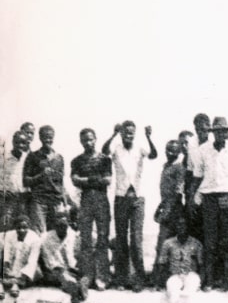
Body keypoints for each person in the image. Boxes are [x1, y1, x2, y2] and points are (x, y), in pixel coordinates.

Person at [194, 117, 228, 291]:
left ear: (227, 132)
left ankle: (226, 279)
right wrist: (190, 199)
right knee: (210, 240)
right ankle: (209, 280)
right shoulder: (203, 150)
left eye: (223, 131)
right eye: (217, 131)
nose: (220, 134)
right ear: (213, 133)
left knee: (227, 239)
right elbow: (197, 176)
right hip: (209, 198)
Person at [104, 121, 158, 291]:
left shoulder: (140, 148)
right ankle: (121, 278)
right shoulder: (116, 148)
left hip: (137, 199)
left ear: (135, 133)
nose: (129, 135)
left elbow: (154, 155)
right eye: (126, 132)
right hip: (120, 198)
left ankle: (138, 278)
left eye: (132, 132)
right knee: (121, 240)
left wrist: (149, 137)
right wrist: (113, 134)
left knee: (136, 239)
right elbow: (104, 151)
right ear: (121, 133)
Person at [69, 127, 112, 291]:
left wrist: (85, 180)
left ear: (95, 139)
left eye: (91, 139)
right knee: (85, 240)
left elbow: (107, 180)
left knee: (102, 239)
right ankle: (87, 275)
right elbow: (74, 180)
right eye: (85, 140)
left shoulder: (104, 159)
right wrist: (93, 180)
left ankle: (102, 277)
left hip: (101, 199)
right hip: (85, 200)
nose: (88, 142)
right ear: (81, 141)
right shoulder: (77, 161)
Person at [153, 139, 187, 287]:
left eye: (173, 150)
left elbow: (178, 193)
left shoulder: (179, 168)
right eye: (167, 149)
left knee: (165, 243)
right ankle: (161, 278)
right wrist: (159, 208)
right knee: (162, 245)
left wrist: (167, 212)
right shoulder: (165, 166)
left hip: (175, 210)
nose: (170, 153)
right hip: (166, 206)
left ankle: (161, 279)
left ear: (179, 152)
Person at [22, 125, 66, 236]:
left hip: (55, 201)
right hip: (39, 200)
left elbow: (61, 182)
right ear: (40, 138)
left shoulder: (59, 158)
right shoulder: (32, 157)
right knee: (39, 235)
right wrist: (41, 176)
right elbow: (26, 181)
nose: (48, 140)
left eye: (50, 137)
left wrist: (64, 199)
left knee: (54, 235)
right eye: (45, 137)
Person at [159, 214, 204, 303]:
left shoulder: (196, 244)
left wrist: (202, 280)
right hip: (175, 274)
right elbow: (162, 263)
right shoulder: (168, 243)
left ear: (188, 227)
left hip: (191, 274)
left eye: (184, 225)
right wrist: (161, 280)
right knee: (172, 288)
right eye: (179, 225)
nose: (181, 227)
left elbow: (201, 264)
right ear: (175, 227)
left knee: (191, 288)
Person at [37, 210, 81, 293]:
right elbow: (49, 263)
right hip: (55, 271)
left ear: (68, 223)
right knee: (62, 275)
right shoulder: (46, 238)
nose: (62, 228)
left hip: (72, 269)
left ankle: (79, 286)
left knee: (83, 274)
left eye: (64, 225)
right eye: (59, 225)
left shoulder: (73, 235)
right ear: (54, 225)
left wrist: (76, 267)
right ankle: (72, 287)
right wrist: (63, 270)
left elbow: (76, 254)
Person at [2, 215, 41, 286]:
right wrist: (6, 267)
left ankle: (19, 281)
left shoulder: (35, 239)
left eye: (24, 227)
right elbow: (6, 253)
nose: (21, 230)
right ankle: (11, 280)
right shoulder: (9, 235)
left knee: (36, 270)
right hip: (13, 266)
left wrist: (23, 276)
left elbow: (33, 260)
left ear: (29, 227)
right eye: (18, 228)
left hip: (27, 267)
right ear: (15, 227)